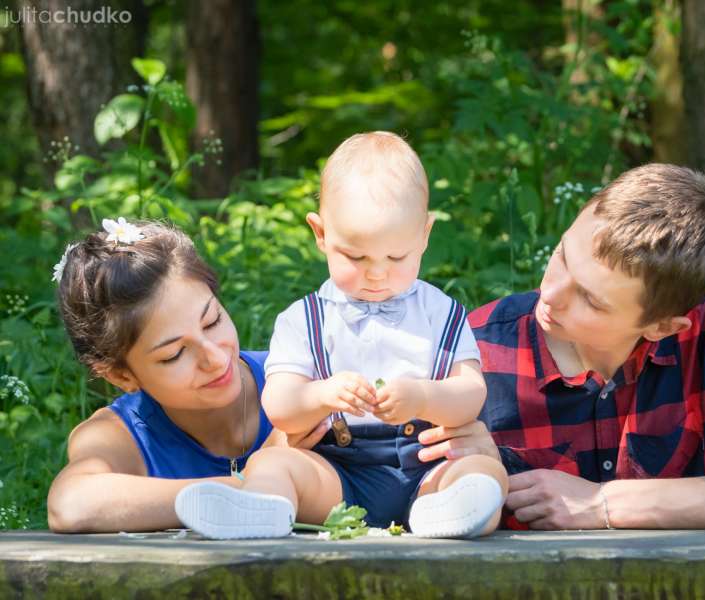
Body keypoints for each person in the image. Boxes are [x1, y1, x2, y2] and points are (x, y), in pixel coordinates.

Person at [45, 218, 484, 533]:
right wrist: (246, 487)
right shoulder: (118, 433)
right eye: (175, 353)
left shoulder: (299, 380)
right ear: (121, 375)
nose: (215, 358)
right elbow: (71, 505)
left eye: (213, 321)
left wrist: (472, 446)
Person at [469, 163, 705, 530]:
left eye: (592, 300)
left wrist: (603, 503)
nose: (549, 294)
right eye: (561, 256)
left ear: (662, 326)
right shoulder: (478, 346)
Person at [175, 132, 508, 539]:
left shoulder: (442, 313)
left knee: (483, 469)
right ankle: (263, 508)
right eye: (356, 256)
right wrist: (321, 395)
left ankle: (453, 512)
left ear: (424, 234)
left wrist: (422, 397)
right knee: (272, 464)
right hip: (338, 471)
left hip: (427, 466)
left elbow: (472, 393)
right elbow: (279, 404)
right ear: (320, 234)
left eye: (397, 257)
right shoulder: (304, 318)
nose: (377, 272)